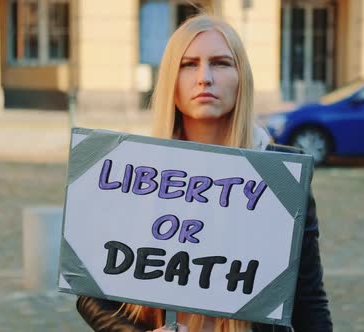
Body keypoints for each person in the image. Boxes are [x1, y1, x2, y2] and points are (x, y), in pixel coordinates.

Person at [76, 14, 332, 332]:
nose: (204, 77)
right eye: (188, 64)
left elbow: (309, 303)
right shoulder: (135, 174)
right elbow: (91, 293)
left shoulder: (280, 179)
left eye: (221, 63)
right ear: (171, 77)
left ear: (242, 77)